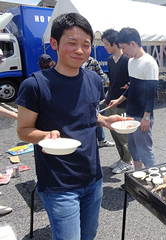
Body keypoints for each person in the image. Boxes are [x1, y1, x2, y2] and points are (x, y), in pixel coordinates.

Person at [16, 13, 124, 240]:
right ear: (54, 44)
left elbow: (86, 116)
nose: (80, 50)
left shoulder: (93, 80)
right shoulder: (35, 85)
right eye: (72, 43)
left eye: (86, 45)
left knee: (89, 235)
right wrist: (45, 135)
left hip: (93, 178)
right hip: (58, 183)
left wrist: (105, 121)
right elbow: (23, 131)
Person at [108, 27, 158, 172]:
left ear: (133, 43)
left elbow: (151, 93)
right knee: (133, 148)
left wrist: (146, 117)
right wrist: (119, 100)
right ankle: (138, 178)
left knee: (145, 150)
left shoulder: (149, 63)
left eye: (124, 48)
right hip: (130, 113)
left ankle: (155, 184)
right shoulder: (131, 62)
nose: (123, 52)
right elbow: (133, 87)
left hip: (142, 115)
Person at [101, 29, 132, 174]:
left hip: (123, 102)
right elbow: (112, 80)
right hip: (111, 101)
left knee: (123, 134)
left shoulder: (127, 60)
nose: (105, 47)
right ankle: (122, 158)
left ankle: (128, 161)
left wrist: (129, 84)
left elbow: (134, 82)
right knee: (114, 132)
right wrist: (107, 95)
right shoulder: (110, 60)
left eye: (107, 44)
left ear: (115, 43)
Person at [83, 56, 115, 148]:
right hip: (80, 96)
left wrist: (93, 84)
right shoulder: (73, 64)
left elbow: (101, 75)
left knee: (96, 116)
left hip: (92, 95)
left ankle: (102, 140)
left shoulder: (92, 61)